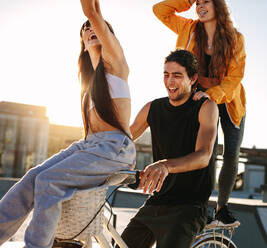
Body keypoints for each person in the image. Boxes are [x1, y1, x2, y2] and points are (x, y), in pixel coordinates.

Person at [0, 0, 136, 247]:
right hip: (89, 146)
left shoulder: (116, 66)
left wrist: (93, 17)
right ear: (82, 45)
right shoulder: (87, 88)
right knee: (33, 177)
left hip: (114, 149)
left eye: (96, 27)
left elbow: (92, 12)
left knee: (47, 181)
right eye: (85, 30)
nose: (90, 28)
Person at [153, 0, 246, 227]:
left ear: (218, 6)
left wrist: (213, 95)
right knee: (205, 154)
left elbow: (235, 77)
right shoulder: (189, 28)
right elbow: (160, 10)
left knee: (232, 154)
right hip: (198, 99)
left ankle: (222, 209)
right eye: (198, 2)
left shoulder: (235, 38)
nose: (200, 6)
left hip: (230, 100)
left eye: (206, 1)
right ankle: (200, 208)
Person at [120, 49, 218, 248]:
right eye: (166, 75)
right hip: (158, 201)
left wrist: (165, 165)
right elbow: (123, 140)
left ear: (192, 79)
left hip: (189, 206)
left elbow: (203, 156)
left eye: (177, 75)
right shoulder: (152, 108)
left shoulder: (206, 108)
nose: (170, 81)